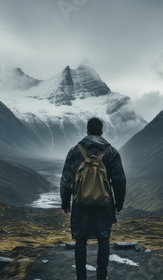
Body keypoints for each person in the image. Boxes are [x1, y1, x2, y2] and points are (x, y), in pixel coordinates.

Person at [60, 117, 126, 280]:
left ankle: (81, 277)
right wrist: (119, 203)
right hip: (104, 202)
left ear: (87, 131)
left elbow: (67, 178)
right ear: (102, 131)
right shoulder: (111, 152)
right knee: (103, 238)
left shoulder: (75, 151)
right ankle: (101, 276)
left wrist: (65, 201)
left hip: (80, 201)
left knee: (80, 239)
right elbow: (119, 180)